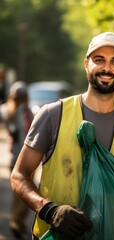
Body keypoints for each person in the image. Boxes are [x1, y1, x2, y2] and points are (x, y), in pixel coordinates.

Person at [10, 32, 114, 240]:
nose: (107, 68)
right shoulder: (53, 115)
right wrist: (49, 210)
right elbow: (19, 174)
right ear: (86, 64)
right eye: (99, 60)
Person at [0, 81, 33, 239]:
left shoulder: (5, 110)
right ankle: (16, 222)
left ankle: (16, 221)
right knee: (26, 193)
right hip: (26, 158)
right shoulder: (26, 111)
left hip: (13, 156)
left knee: (17, 193)